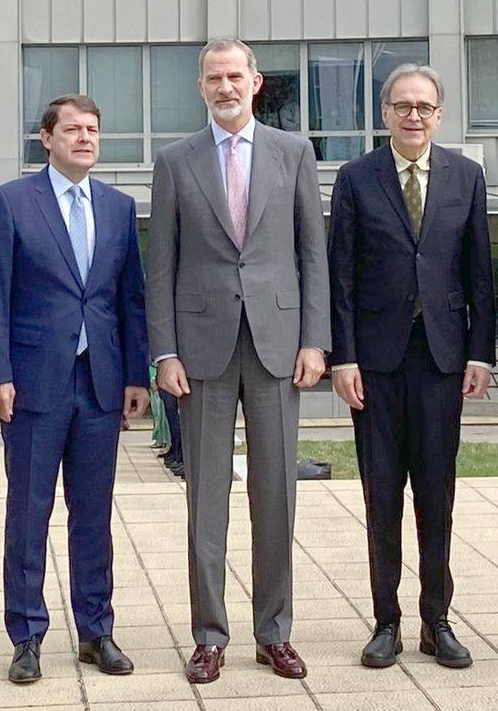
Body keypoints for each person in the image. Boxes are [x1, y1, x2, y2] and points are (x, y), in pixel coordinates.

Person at [147, 38, 330, 684]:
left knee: (276, 491)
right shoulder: (174, 162)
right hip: (201, 349)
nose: (225, 86)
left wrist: (315, 340)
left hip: (280, 344)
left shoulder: (293, 153)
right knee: (206, 497)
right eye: (213, 77)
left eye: (235, 75)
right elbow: (161, 265)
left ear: (256, 82)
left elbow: (313, 253)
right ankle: (209, 635)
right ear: (201, 87)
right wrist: (163, 351)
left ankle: (273, 632)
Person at [0, 94, 150, 684]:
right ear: (45, 138)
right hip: (30, 384)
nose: (85, 138)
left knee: (94, 513)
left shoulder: (120, 207)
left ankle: (96, 630)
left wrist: (135, 376)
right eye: (72, 129)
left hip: (100, 382)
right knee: (29, 511)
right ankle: (26, 636)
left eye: (93, 129)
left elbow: (130, 299)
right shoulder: (11, 202)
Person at [327, 64, 495, 670]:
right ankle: (386, 622)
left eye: (424, 106)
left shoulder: (467, 177)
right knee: (381, 496)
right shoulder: (355, 178)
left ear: (439, 113)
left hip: (443, 360)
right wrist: (341, 357)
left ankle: (437, 621)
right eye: (403, 106)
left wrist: (480, 352)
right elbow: (338, 276)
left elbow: (481, 272)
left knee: (436, 493)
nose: (414, 115)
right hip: (374, 363)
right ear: (385, 114)